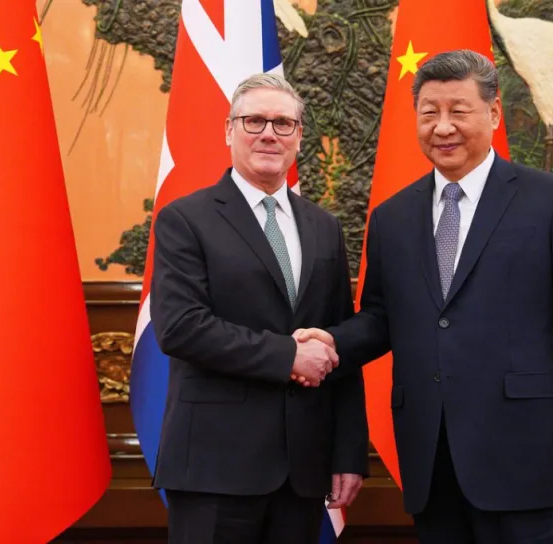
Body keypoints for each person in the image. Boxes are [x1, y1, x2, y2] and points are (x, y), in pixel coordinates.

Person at [295, 50, 553, 543]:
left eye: (458, 111)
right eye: (429, 113)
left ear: (492, 114)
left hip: (531, 453)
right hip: (433, 457)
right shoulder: (393, 216)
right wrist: (330, 344)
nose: (442, 127)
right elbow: (383, 316)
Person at [149, 73, 369, 543]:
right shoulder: (185, 219)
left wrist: (349, 453)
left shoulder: (323, 227)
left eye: (283, 123)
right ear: (229, 130)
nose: (269, 133)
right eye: (254, 121)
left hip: (303, 470)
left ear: (298, 137)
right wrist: (288, 355)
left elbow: (339, 339)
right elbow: (181, 328)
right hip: (215, 467)